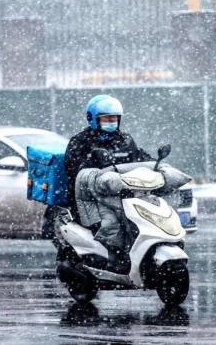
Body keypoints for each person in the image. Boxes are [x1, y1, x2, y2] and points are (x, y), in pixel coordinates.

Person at [64, 94, 152, 272]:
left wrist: (153, 164)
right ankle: (114, 259)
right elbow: (74, 169)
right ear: (93, 119)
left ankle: (144, 257)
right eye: (106, 118)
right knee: (110, 225)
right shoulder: (80, 141)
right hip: (90, 197)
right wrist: (92, 162)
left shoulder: (125, 139)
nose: (111, 122)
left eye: (114, 118)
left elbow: (139, 156)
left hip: (123, 194)